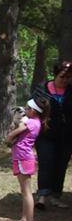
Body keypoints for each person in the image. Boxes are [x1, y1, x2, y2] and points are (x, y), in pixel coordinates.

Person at [32, 59, 72, 210]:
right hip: (45, 134)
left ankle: (55, 195)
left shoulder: (71, 90)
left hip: (67, 135)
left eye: (68, 77)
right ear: (55, 75)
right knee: (46, 162)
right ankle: (42, 195)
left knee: (61, 165)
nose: (65, 80)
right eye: (62, 77)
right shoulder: (42, 89)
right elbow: (32, 109)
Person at [7, 97, 48, 221]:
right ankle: (24, 219)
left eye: (27, 108)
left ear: (34, 111)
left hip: (23, 158)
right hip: (22, 157)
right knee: (24, 191)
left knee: (26, 192)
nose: (25, 111)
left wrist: (9, 137)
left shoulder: (30, 122)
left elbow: (12, 135)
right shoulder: (35, 122)